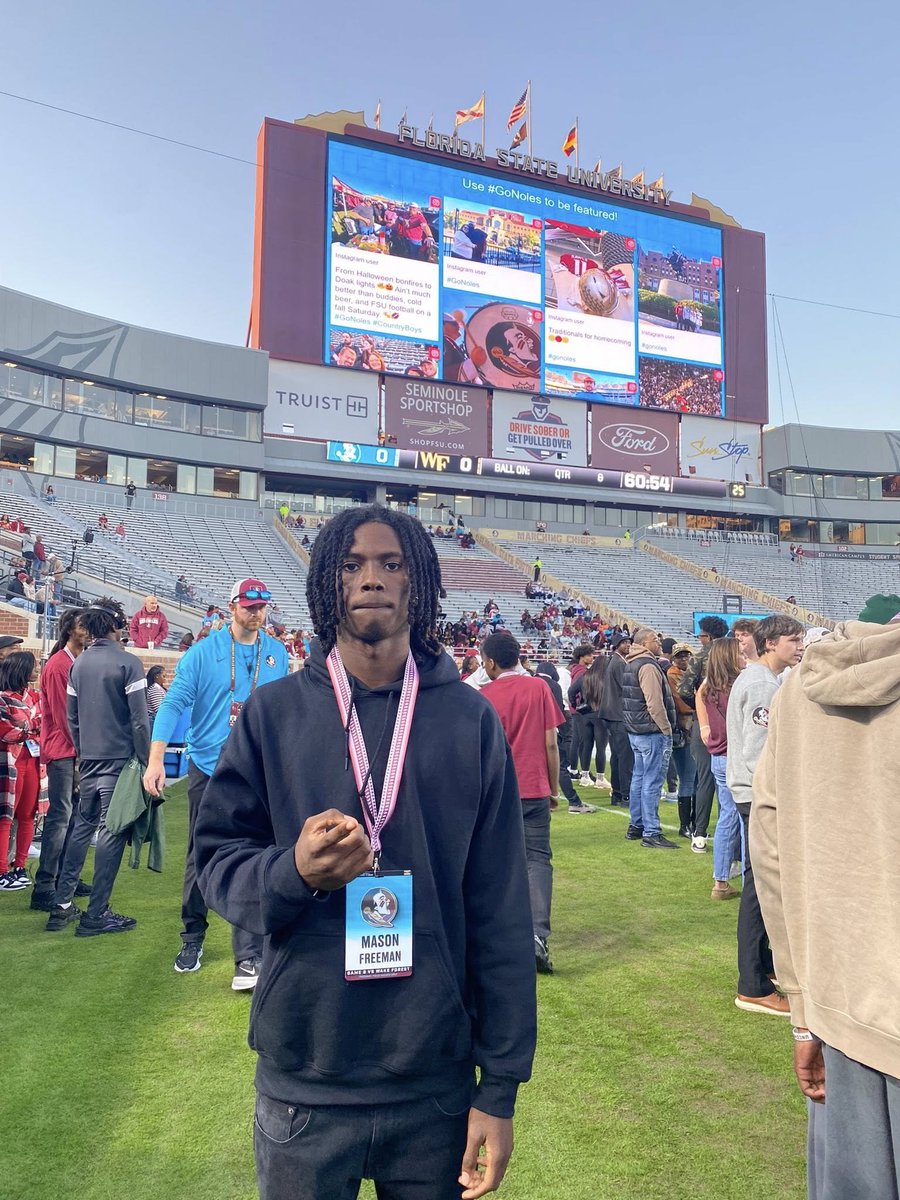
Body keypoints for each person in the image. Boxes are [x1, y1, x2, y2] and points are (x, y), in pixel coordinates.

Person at [192, 506, 536, 1200]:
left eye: (391, 563)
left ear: (418, 583)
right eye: (351, 564)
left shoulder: (469, 720)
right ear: (328, 582)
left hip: (435, 1085)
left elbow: (501, 909)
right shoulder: (273, 714)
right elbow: (217, 862)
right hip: (305, 1083)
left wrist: (499, 1087)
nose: (371, 578)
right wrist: (293, 872)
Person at [752, 615, 900, 1198]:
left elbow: (770, 850)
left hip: (841, 1006)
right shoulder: (793, 687)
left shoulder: (797, 688)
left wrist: (802, 1008)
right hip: (845, 1012)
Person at [143, 578, 289, 988]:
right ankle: (192, 936)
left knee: (256, 853)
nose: (256, 612)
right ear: (232, 607)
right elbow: (173, 704)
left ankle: (249, 957)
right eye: (249, 605)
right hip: (208, 768)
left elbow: (282, 713)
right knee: (200, 854)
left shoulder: (276, 653)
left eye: (262, 606)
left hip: (256, 771)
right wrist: (156, 759)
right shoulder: (203, 653)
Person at [45, 598, 151, 937]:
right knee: (111, 831)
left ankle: (62, 905)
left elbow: (72, 719)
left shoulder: (78, 664)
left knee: (82, 827)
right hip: (119, 761)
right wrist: (147, 760)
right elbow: (139, 720)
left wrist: (83, 752)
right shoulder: (128, 662)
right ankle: (96, 913)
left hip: (89, 758)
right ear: (115, 625)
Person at [726, 614, 804, 1015]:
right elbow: (759, 752)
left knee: (761, 883)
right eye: (793, 640)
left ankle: (763, 966)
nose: (800, 647)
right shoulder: (761, 685)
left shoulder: (760, 679)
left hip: (753, 792)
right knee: (761, 888)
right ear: (770, 643)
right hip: (759, 795)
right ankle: (752, 985)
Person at [482, 631, 565, 973]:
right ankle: (536, 936)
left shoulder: (483, 696)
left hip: (497, 792)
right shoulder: (538, 688)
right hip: (533, 787)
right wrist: (553, 788)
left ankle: (500, 934)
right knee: (537, 860)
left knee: (495, 861)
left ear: (489, 662)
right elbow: (551, 743)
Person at [31, 610, 92, 912]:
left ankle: (66, 878)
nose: (87, 631)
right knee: (60, 818)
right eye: (82, 626)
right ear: (69, 630)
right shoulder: (58, 665)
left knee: (75, 818)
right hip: (64, 751)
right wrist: (84, 751)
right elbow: (63, 715)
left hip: (74, 750)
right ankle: (45, 885)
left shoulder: (76, 662)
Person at [695, 639, 743, 900]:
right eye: (739, 653)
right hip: (736, 756)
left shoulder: (708, 688)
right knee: (746, 819)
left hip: (719, 757)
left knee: (727, 817)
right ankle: (750, 882)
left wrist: (706, 731)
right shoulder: (736, 687)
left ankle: (720, 881)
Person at [622, 627, 679, 849]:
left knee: (639, 778)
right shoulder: (647, 666)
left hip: (636, 731)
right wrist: (666, 728)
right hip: (652, 731)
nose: (659, 643)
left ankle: (636, 825)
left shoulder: (631, 663)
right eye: (656, 640)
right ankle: (652, 831)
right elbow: (654, 702)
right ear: (645, 643)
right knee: (652, 781)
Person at [679, 615, 729, 853]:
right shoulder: (733, 655)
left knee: (705, 778)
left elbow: (684, 689)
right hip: (728, 722)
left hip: (704, 723)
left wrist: (701, 708)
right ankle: (728, 831)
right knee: (727, 780)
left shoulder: (700, 657)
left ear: (707, 636)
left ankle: (699, 833)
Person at [0, 652, 42, 892]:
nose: (37, 670)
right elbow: (7, 732)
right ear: (21, 669)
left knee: (28, 815)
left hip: (33, 762)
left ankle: (20, 866)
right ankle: (1, 871)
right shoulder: (3, 699)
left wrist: (28, 727)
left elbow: (45, 723)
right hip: (10, 763)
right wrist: (33, 728)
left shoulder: (36, 696)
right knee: (5, 817)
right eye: (33, 666)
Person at [534, 661, 594, 815]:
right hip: (551, 731)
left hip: (532, 733)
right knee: (560, 766)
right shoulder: (553, 685)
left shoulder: (530, 683)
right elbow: (557, 710)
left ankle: (542, 802)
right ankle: (574, 802)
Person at [597, 632, 633, 807]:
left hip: (612, 715)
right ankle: (625, 795)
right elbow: (627, 688)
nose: (628, 645)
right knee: (625, 757)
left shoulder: (616, 661)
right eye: (624, 642)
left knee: (618, 756)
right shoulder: (619, 663)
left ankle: (618, 794)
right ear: (616, 645)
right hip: (618, 715)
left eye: (628, 642)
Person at [666, 644, 697, 837]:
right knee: (688, 777)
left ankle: (692, 822)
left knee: (694, 778)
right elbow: (683, 704)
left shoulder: (688, 674)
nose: (684, 659)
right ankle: (685, 824)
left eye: (687, 655)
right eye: (680, 656)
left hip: (689, 729)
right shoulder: (673, 675)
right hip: (684, 730)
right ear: (674, 658)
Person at [571, 653, 611, 793]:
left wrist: (576, 705)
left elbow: (571, 691)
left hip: (585, 715)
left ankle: (585, 775)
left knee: (586, 745)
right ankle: (600, 778)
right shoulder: (606, 678)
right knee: (601, 747)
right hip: (600, 715)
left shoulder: (585, 676)